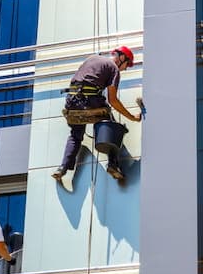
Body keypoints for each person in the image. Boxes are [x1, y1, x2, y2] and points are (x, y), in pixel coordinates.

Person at [52, 46, 141, 181]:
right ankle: (113, 164)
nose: (125, 68)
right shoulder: (114, 68)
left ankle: (62, 168)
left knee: (76, 135)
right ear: (122, 58)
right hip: (90, 100)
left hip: (72, 101)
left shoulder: (92, 58)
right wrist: (132, 117)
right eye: (127, 65)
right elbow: (113, 100)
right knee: (111, 125)